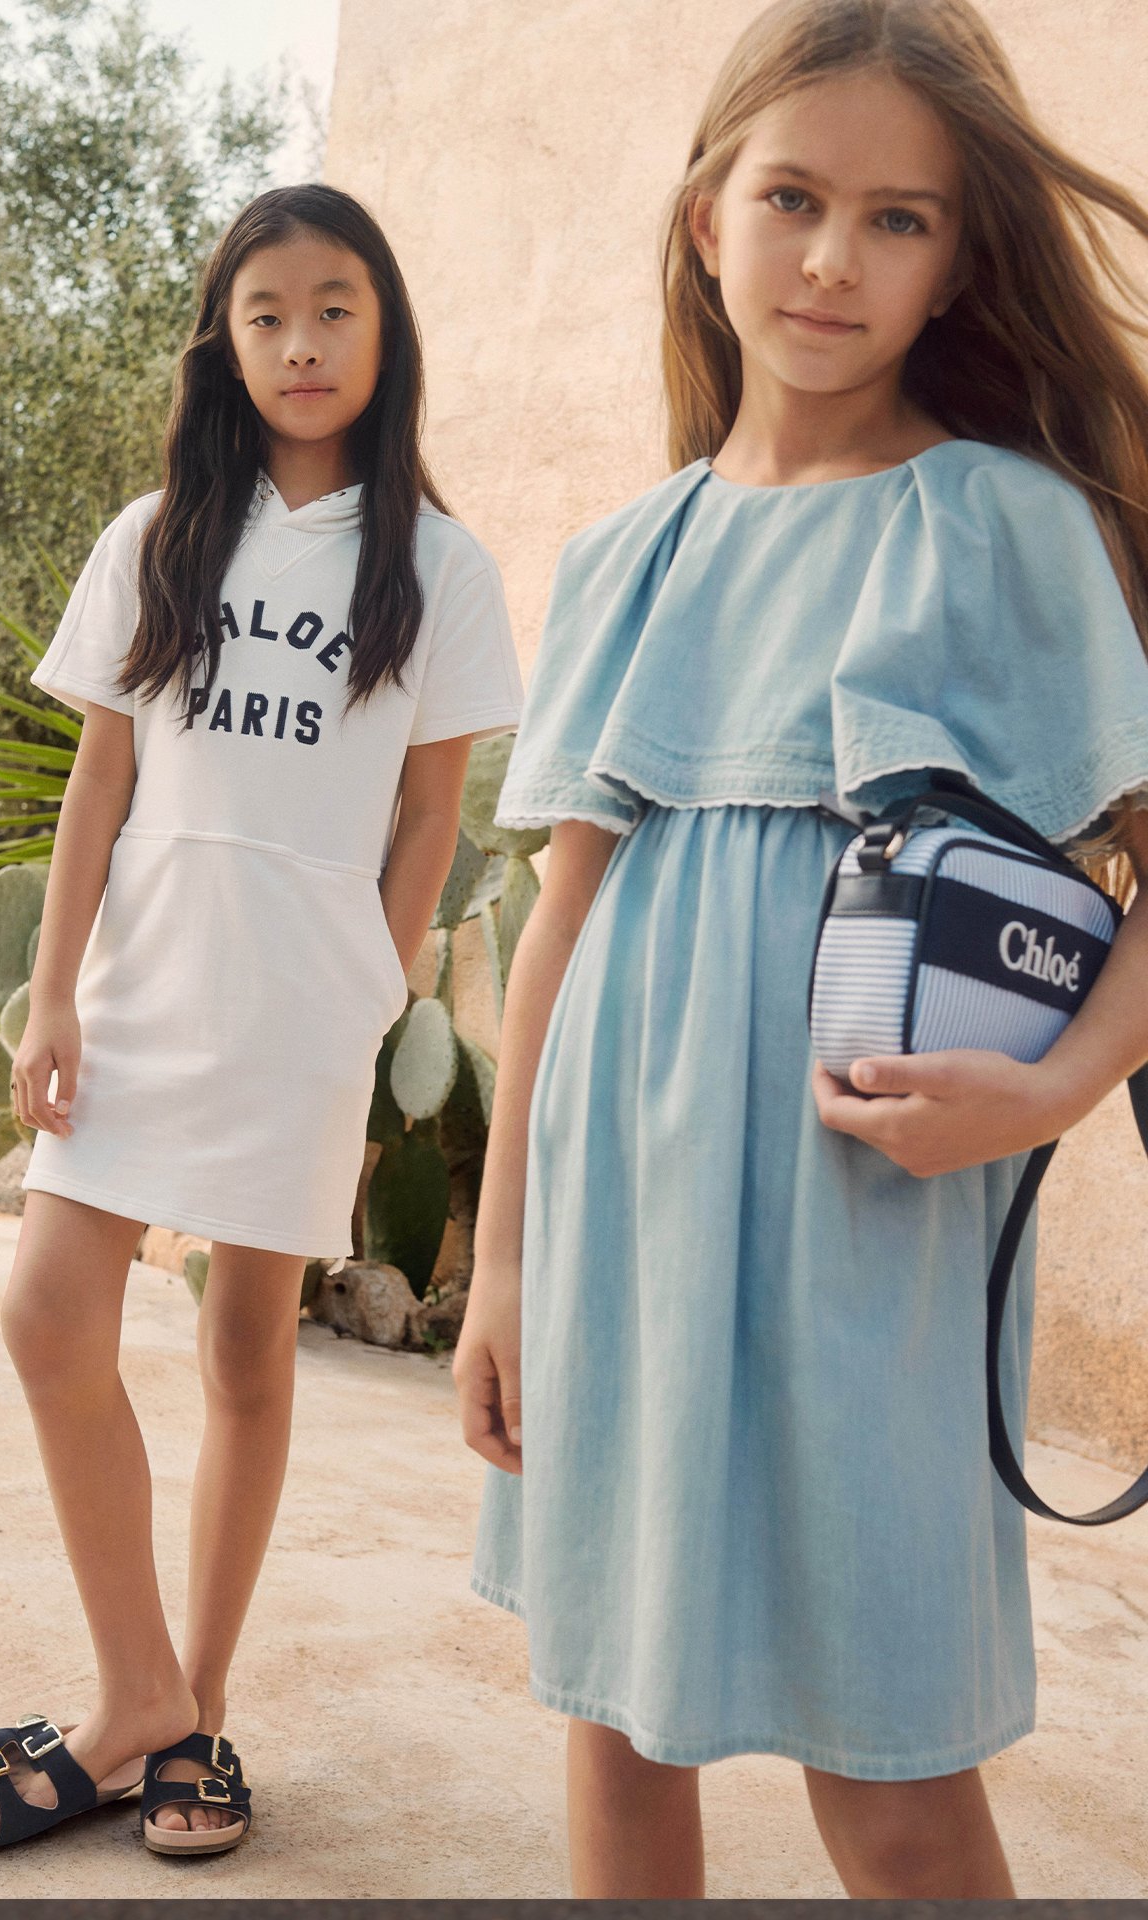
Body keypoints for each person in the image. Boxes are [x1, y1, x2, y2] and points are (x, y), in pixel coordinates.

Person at [454, 0, 1148, 1898]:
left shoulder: (998, 525)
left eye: (899, 219)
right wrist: (500, 1262)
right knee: (615, 1718)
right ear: (707, 220)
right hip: (616, 1213)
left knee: (891, 1771)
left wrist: (1052, 1095)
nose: (835, 257)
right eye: (793, 199)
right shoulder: (627, 554)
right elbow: (561, 921)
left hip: (872, 1229)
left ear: (959, 264)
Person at [0, 182, 522, 1857]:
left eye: (336, 308)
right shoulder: (158, 536)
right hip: (141, 987)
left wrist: (376, 983)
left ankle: (193, 1708)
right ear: (226, 343)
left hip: (302, 1006)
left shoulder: (441, 565)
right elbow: (100, 782)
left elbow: (433, 809)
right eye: (267, 313)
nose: (302, 342)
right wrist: (54, 991)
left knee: (246, 1348)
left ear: (386, 332)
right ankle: (144, 1698)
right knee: (50, 1318)